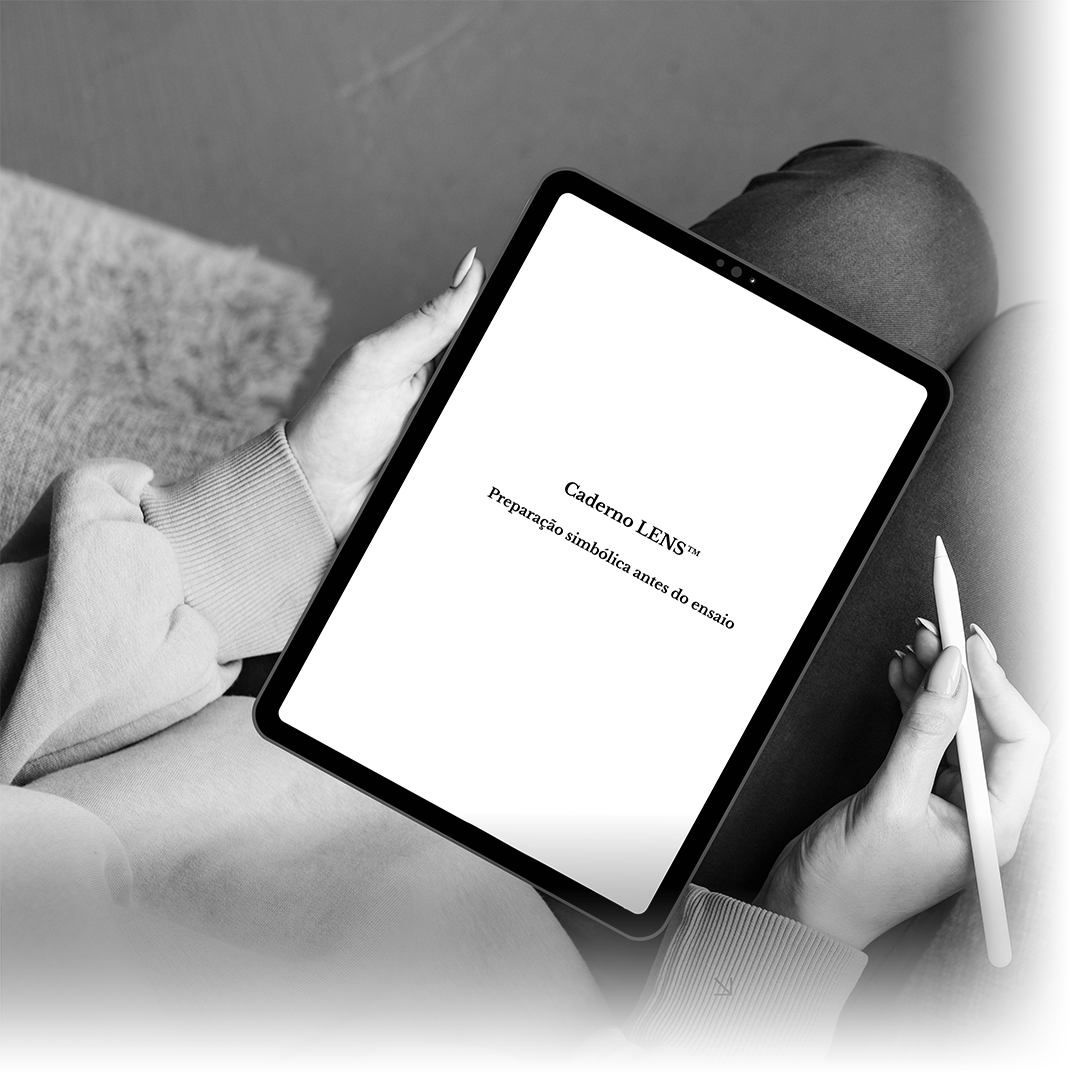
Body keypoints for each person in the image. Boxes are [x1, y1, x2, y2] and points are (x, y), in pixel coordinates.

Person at [0, 141, 1064, 1070]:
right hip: (622, 977)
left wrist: (281, 512)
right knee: (1055, 397)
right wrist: (806, 926)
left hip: (316, 699)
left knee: (897, 218)